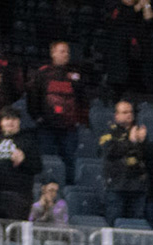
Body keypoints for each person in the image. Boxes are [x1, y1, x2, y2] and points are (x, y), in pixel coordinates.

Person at [28, 42, 89, 183]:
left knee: (70, 160)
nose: (65, 54)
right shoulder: (43, 73)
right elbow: (33, 97)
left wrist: (79, 120)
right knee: (47, 160)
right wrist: (37, 117)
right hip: (47, 127)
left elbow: (82, 99)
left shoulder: (75, 75)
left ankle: (68, 190)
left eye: (67, 52)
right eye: (62, 51)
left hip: (69, 128)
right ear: (53, 53)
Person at [0, 110, 41, 220]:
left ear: (19, 122)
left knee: (14, 234)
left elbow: (37, 167)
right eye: (7, 119)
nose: (10, 122)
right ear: (1, 122)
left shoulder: (28, 141)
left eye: (13, 119)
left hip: (18, 196)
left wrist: (23, 161)